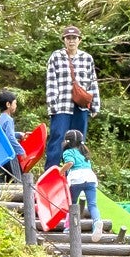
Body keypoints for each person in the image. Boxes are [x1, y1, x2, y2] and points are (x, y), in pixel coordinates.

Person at [43, 27, 100, 170]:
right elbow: (51, 81)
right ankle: (52, 172)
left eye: (74, 38)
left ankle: (76, 172)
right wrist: (52, 105)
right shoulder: (56, 57)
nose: (71, 41)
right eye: (68, 38)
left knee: (78, 140)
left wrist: (95, 105)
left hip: (81, 106)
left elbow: (93, 82)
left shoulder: (87, 58)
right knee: (58, 138)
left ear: (79, 40)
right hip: (61, 105)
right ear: (64, 40)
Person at [58, 128, 102, 232]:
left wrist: (61, 171)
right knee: (92, 204)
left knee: (72, 204)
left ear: (67, 141)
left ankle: (69, 227)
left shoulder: (68, 152)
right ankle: (97, 221)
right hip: (90, 178)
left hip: (76, 179)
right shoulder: (84, 151)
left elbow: (70, 163)